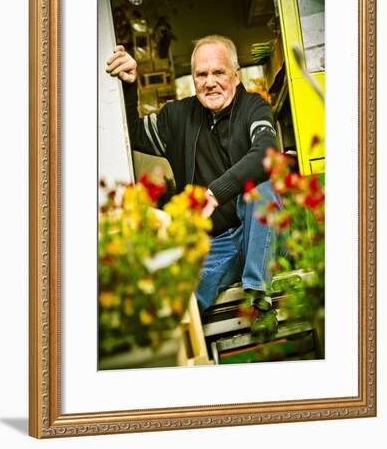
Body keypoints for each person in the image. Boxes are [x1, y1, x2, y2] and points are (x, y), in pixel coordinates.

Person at [106, 35, 281, 335]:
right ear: (193, 79)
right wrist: (130, 84)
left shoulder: (253, 106)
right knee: (181, 298)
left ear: (236, 76)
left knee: (262, 188)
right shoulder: (177, 117)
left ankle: (260, 300)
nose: (210, 82)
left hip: (259, 234)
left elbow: (267, 154)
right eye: (202, 74)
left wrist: (214, 193)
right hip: (214, 244)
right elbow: (132, 133)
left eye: (219, 72)